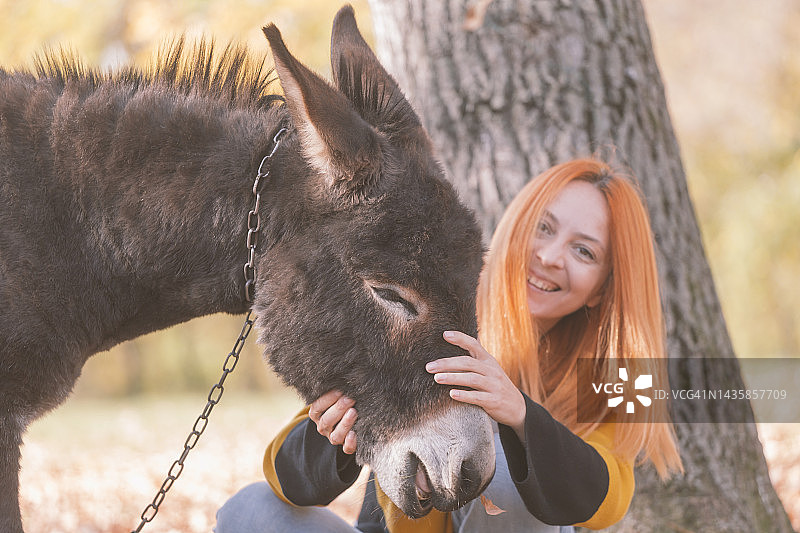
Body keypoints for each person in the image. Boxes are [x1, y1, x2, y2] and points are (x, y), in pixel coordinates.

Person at [215, 159, 684, 532]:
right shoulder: (435, 308)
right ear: (518, 224)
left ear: (604, 286)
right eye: (543, 228)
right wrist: (337, 437)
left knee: (501, 473)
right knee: (249, 511)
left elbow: (611, 501)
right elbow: (282, 475)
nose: (549, 256)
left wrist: (520, 416)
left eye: (584, 251)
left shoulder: (620, 369)